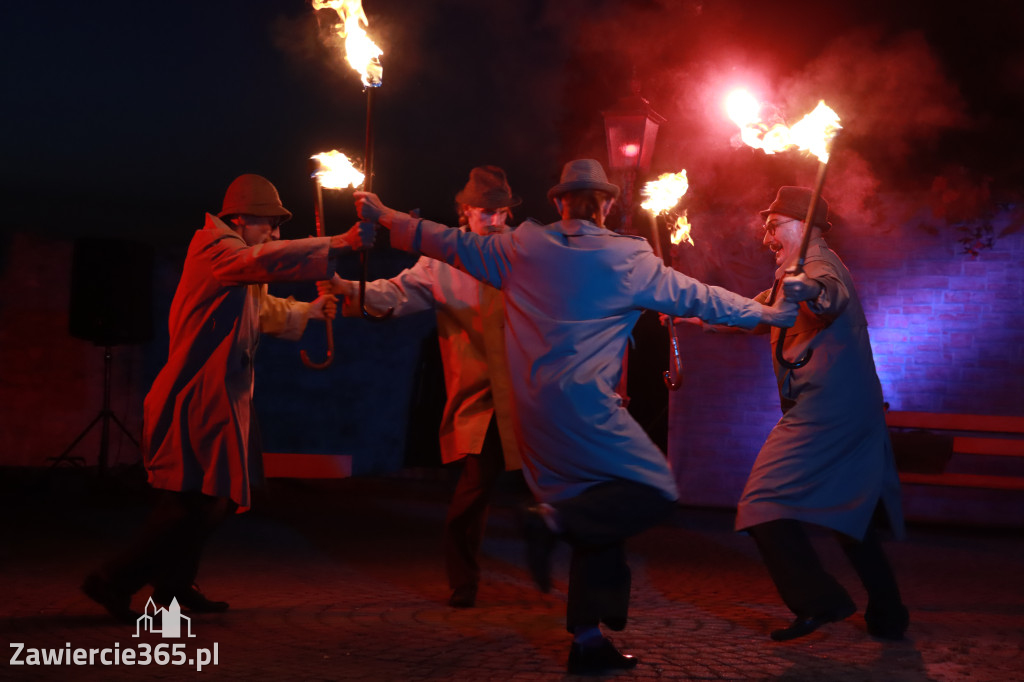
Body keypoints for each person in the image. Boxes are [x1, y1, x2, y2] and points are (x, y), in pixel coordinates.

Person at [353, 159, 800, 674]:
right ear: (607, 205)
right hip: (589, 414)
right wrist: (769, 314)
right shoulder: (628, 257)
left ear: (558, 202)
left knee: (600, 517)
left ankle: (587, 639)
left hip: (532, 420)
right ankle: (550, 525)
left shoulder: (520, 248)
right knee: (653, 488)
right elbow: (703, 299)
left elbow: (442, 241)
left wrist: (384, 214)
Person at [82, 174, 373, 622]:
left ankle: (172, 591)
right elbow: (261, 262)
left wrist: (308, 312)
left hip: (220, 395)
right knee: (191, 502)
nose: (275, 233)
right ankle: (114, 579)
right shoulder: (215, 249)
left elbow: (259, 303)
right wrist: (338, 243)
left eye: (277, 226)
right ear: (239, 218)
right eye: (269, 224)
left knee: (209, 501)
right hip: (195, 393)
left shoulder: (237, 259)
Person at [319, 165, 526, 608]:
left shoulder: (528, 254)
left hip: (537, 393)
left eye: (501, 212)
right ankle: (463, 580)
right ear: (465, 213)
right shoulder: (441, 263)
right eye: (484, 212)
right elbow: (394, 294)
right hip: (483, 397)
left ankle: (583, 579)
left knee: (568, 484)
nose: (494, 220)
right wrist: (345, 288)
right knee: (472, 492)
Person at [733, 186, 909, 641]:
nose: (766, 234)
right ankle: (889, 613)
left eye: (774, 224)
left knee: (762, 505)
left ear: (803, 224)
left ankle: (820, 600)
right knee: (851, 513)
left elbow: (829, 296)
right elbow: (754, 313)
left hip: (826, 412)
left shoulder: (818, 264)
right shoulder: (789, 273)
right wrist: (688, 313)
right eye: (766, 225)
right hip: (847, 410)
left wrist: (806, 287)